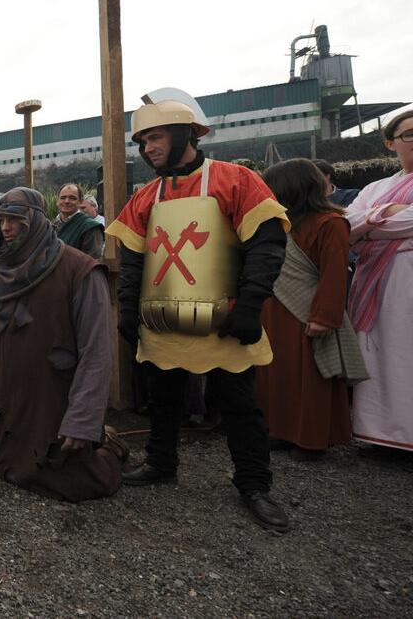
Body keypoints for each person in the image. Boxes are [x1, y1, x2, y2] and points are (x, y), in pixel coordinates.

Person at [105, 98, 291, 532]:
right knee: (163, 400)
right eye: (143, 141)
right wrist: (128, 310)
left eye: (155, 137)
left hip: (224, 320)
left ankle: (254, 485)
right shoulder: (146, 196)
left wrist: (249, 307)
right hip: (163, 321)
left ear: (186, 134)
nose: (148, 148)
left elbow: (266, 245)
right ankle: (161, 463)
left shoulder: (236, 180)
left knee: (240, 406)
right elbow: (133, 259)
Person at [0, 188, 125, 502]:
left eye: (15, 220)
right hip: (11, 394)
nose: (6, 228)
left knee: (76, 482)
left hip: (57, 395)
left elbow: (97, 351)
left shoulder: (79, 270)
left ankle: (109, 447)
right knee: (12, 470)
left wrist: (83, 420)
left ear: (34, 221)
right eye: (2, 220)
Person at [256, 159, 364, 460]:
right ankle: (279, 431)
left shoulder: (330, 222)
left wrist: (323, 317)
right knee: (276, 375)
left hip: (306, 310)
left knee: (310, 378)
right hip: (273, 309)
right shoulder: (279, 222)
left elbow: (334, 275)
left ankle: (312, 441)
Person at [346, 109, 413, 452]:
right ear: (391, 143)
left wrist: (370, 223)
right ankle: (377, 432)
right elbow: (348, 223)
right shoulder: (376, 187)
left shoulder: (373, 192)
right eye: (409, 135)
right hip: (375, 277)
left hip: (406, 275)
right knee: (378, 353)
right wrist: (385, 213)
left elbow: (363, 225)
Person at [53, 183, 104, 259]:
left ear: (80, 201)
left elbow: (92, 261)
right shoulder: (51, 226)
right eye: (63, 198)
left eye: (72, 198)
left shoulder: (90, 227)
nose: (67, 201)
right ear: (57, 201)